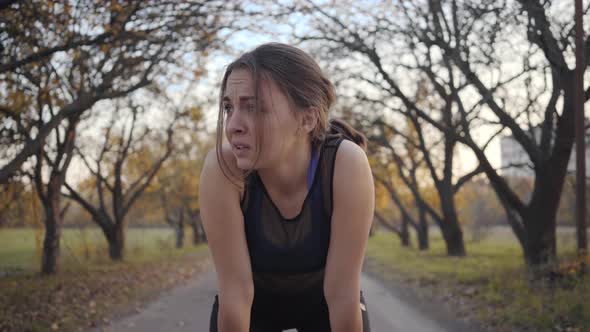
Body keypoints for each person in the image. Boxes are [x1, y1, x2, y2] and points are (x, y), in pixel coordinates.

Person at [199, 42, 374, 332]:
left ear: (307, 118)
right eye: (229, 108)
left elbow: (342, 296)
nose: (233, 126)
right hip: (253, 309)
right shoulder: (223, 167)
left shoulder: (345, 163)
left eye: (252, 107)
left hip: (325, 307)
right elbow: (236, 294)